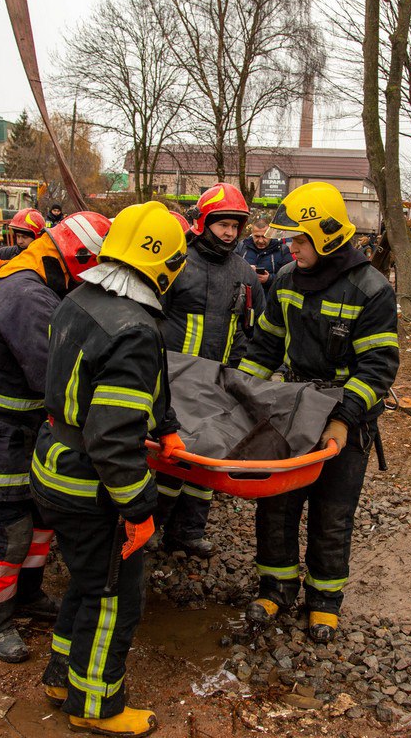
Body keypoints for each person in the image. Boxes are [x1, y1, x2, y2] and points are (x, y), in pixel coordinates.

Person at [31, 200, 187, 737]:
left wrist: (165, 424)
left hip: (53, 461)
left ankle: (62, 677)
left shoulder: (81, 298)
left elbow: (130, 387)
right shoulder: (136, 329)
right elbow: (113, 437)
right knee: (114, 596)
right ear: (167, 265)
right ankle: (95, 705)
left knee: (87, 579)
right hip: (90, 482)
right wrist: (139, 507)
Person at [0, 211, 111, 663]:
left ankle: (27, 594)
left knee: (40, 518)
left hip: (9, 431)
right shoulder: (28, 297)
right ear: (77, 260)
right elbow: (53, 376)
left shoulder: (35, 281)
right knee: (11, 530)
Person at [238, 182, 399, 643]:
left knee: (332, 512)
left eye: (300, 239)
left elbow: (378, 367)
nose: (292, 247)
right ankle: (276, 588)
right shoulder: (287, 279)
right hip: (292, 409)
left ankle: (324, 601)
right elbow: (265, 346)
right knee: (276, 504)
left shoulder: (370, 290)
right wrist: (240, 396)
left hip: (342, 414)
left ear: (327, 236)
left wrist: (343, 419)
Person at [155, 183, 263, 558]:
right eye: (222, 224)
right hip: (173, 382)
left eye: (235, 226)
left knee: (208, 463)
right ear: (203, 223)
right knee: (168, 460)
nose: (229, 232)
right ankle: (149, 528)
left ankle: (188, 532)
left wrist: (241, 377)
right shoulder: (176, 263)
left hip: (218, 385)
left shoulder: (244, 274)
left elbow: (256, 330)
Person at [238, 217, 294, 296]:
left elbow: (290, 277)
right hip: (244, 299)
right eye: (257, 236)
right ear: (252, 234)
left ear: (271, 234)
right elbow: (231, 271)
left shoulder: (282, 250)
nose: (260, 241)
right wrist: (245, 270)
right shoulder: (241, 247)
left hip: (270, 299)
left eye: (264, 236)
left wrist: (269, 279)